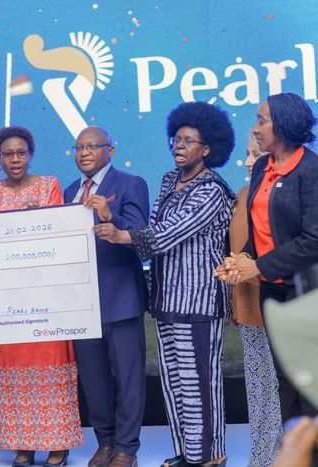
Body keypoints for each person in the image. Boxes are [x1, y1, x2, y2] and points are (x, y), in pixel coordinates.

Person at [94, 102, 236, 467]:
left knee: (200, 383)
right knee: (175, 384)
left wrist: (120, 235)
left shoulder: (213, 190)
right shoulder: (170, 180)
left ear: (208, 149)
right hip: (166, 299)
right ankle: (188, 453)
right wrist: (116, 222)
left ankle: (210, 455)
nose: (179, 146)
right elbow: (153, 223)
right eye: (177, 139)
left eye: (189, 141)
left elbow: (168, 233)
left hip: (199, 301)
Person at [0, 126, 82, 467]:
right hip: (5, 299)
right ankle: (22, 443)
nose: (15, 159)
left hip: (45, 297)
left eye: (21, 153)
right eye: (8, 154)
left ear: (31, 155)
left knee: (49, 366)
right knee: (11, 368)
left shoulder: (49, 186)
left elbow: (60, 234)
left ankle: (57, 444)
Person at [216, 92, 318, 422]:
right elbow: (263, 229)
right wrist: (242, 258)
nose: (255, 129)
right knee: (286, 377)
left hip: (307, 291)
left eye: (262, 121)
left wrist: (257, 266)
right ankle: (294, 447)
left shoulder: (312, 171)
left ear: (284, 124)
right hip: (272, 290)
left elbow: (314, 240)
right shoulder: (262, 166)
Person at [63, 127, 149, 467]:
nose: (84, 153)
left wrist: (113, 218)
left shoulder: (131, 183)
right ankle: (105, 442)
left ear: (109, 151)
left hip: (120, 299)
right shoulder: (70, 190)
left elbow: (142, 235)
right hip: (80, 302)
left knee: (128, 378)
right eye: (78, 148)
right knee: (94, 379)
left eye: (91, 146)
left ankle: (126, 447)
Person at [227, 131, 282, 466]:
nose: (248, 162)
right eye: (247, 153)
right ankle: (262, 458)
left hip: (286, 310)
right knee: (260, 392)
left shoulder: (293, 193)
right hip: (249, 310)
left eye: (255, 154)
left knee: (289, 393)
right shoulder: (243, 194)